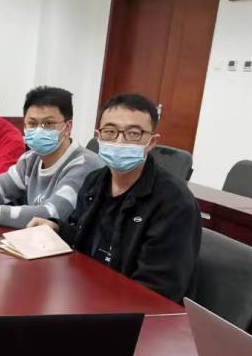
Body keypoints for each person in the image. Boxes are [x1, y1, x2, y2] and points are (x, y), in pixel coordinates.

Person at [58, 93, 201, 303]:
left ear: (151, 142)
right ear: (98, 137)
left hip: (134, 309)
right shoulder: (94, 181)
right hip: (88, 291)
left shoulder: (174, 202)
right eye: (110, 131)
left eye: (133, 134)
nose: (119, 141)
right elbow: (82, 236)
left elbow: (157, 291)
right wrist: (56, 228)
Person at [0, 85, 101, 226]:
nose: (39, 130)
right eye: (32, 123)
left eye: (49, 124)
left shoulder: (84, 164)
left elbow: (52, 214)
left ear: (68, 127)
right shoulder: (30, 158)